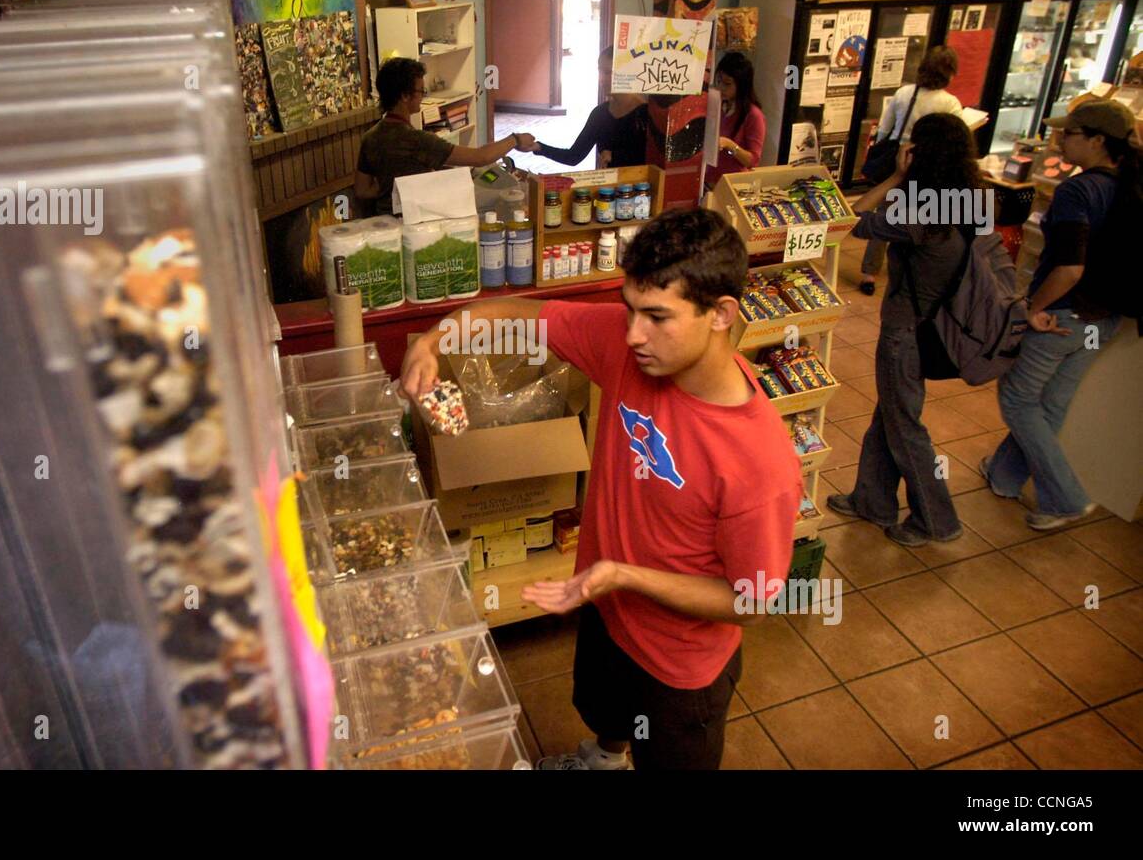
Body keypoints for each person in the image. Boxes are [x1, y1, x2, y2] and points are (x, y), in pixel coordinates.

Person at [400, 209, 802, 771]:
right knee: (605, 712)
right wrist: (430, 340)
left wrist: (624, 575)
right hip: (609, 609)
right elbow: (518, 317)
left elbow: (754, 601)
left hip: (679, 668)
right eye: (629, 309)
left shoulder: (758, 461)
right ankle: (604, 758)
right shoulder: (627, 345)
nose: (633, 333)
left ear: (721, 314)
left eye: (657, 317)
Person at [827, 113, 985, 546]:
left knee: (905, 425)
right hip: (935, 322)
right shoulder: (964, 199)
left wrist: (897, 174)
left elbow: (851, 217)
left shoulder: (922, 215)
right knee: (891, 414)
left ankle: (937, 519)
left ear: (922, 154)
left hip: (906, 330)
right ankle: (872, 500)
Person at [984, 99, 1136, 530]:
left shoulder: (1078, 190)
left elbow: (1070, 267)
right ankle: (1005, 476)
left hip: (1063, 317)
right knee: (1050, 405)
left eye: (1067, 134)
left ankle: (1067, 497)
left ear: (1097, 140)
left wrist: (1034, 307)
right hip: (1104, 320)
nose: (1059, 140)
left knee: (1016, 398)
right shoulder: (1129, 184)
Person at [355, 57, 538, 216]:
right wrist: (515, 139)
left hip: (384, 220)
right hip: (417, 221)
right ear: (404, 96)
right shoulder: (418, 140)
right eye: (420, 91)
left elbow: (362, 190)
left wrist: (391, 187)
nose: (422, 96)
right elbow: (480, 157)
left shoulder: (370, 137)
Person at [859, 46, 964, 296]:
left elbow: (884, 128)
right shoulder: (949, 102)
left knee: (884, 215)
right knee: (917, 217)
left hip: (899, 158)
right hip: (928, 166)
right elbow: (959, 136)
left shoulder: (905, 92)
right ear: (949, 73)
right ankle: (907, 263)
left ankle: (869, 272)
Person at [532, 47, 648, 169]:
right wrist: (537, 147)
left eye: (608, 73)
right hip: (608, 187)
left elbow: (652, 159)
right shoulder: (600, 114)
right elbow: (574, 156)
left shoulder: (647, 113)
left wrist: (616, 156)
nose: (601, 79)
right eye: (600, 71)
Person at [702, 51, 766, 190]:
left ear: (741, 85)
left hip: (733, 186)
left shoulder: (753, 115)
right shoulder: (716, 105)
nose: (721, 88)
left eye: (727, 84)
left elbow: (752, 160)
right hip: (709, 181)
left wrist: (729, 145)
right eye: (718, 81)